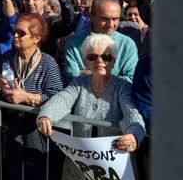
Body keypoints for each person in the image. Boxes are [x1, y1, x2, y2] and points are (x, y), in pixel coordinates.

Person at [37, 34, 146, 170]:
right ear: (86, 61)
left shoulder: (122, 87)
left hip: (112, 166)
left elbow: (132, 114)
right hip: (80, 165)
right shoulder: (79, 83)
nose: (100, 61)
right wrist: (46, 114)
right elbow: (63, 99)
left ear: (113, 61)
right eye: (92, 57)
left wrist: (134, 135)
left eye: (106, 56)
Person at [0, 13, 65, 180]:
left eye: (21, 33)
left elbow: (57, 96)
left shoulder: (48, 63)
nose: (15, 35)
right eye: (15, 31)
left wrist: (27, 97)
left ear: (36, 38)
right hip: (12, 130)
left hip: (38, 135)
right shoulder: (8, 57)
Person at [64, 0, 138, 82]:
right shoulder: (73, 43)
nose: (110, 24)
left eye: (115, 19)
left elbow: (131, 79)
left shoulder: (127, 44)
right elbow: (72, 78)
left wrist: (89, 75)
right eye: (105, 18)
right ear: (92, 16)